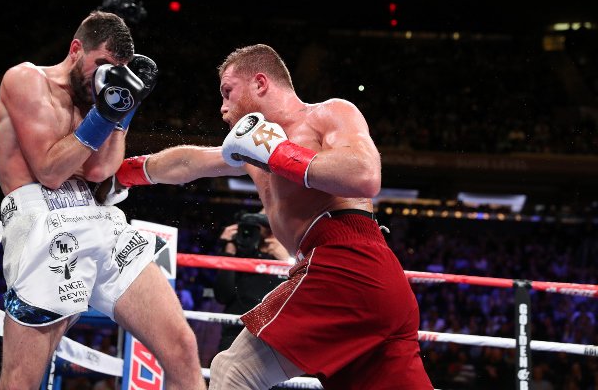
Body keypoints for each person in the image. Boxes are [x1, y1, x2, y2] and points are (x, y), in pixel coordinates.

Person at [110, 44, 434, 389]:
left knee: (232, 370)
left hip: (346, 263)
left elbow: (365, 176)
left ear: (260, 83)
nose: (222, 108)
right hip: (371, 285)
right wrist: (119, 174)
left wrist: (278, 152)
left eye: (228, 92)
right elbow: (189, 162)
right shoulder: (250, 148)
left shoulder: (326, 114)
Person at [0, 10, 205, 390]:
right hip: (41, 220)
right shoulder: (27, 79)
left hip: (95, 216)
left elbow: (99, 171)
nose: (104, 77)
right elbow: (50, 172)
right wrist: (103, 115)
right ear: (76, 49)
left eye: (116, 71)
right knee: (22, 379)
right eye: (102, 65)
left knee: (182, 348)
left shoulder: (96, 99)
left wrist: (123, 110)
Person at [214, 211, 290, 352]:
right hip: (234, 335)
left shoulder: (289, 257)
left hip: (275, 337)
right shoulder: (239, 256)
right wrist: (228, 252)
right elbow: (222, 296)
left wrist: (286, 262)